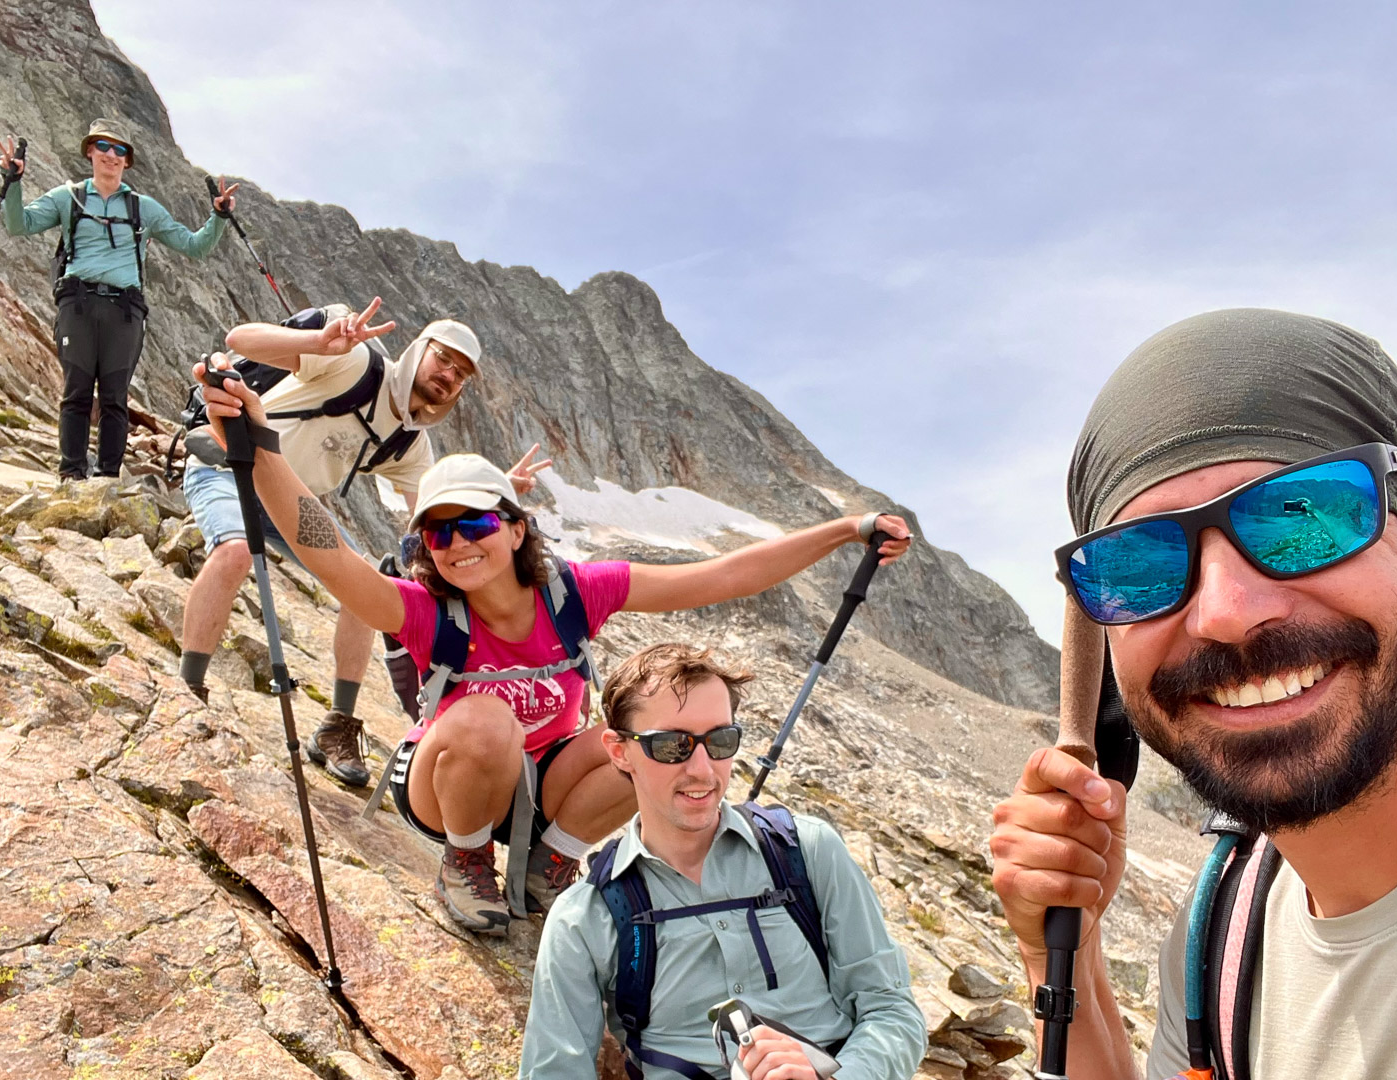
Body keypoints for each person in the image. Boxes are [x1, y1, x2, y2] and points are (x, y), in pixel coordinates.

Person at [989, 308, 1397, 1080]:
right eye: (1139, 562)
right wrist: (1065, 956)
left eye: (1302, 518)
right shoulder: (1221, 929)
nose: (1224, 613)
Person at [193, 361, 912, 936]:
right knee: (484, 718)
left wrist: (845, 531)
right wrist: (258, 446)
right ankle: (467, 862)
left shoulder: (573, 593)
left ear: (513, 527)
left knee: (645, 742)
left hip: (543, 790)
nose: (455, 544)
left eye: (472, 522)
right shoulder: (424, 610)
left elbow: (722, 576)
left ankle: (548, 867)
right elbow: (326, 553)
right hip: (448, 789)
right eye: (435, 534)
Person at [178, 298, 549, 787]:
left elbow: (436, 505)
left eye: (460, 374)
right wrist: (315, 342)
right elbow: (240, 340)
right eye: (444, 358)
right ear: (419, 350)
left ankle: (337, 725)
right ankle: (188, 691)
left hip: (292, 504)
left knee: (367, 587)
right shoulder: (354, 361)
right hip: (229, 466)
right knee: (233, 550)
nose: (448, 375)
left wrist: (498, 488)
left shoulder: (410, 443)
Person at [520, 643, 927, 1080]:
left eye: (720, 741)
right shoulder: (584, 918)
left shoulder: (808, 852)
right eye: (673, 745)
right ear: (620, 752)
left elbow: (892, 1010)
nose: (703, 769)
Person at [0, 118, 236, 479]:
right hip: (77, 303)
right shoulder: (68, 196)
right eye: (103, 147)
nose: (111, 155)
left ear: (127, 160)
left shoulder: (144, 208)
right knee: (76, 391)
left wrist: (218, 216)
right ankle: (71, 474)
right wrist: (12, 182)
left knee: (114, 396)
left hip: (124, 310)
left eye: (119, 150)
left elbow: (194, 246)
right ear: (90, 151)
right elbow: (19, 225)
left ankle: (108, 477)